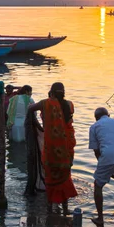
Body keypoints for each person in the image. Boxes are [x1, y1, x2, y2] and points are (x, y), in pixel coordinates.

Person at [27, 82, 78, 213]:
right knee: (65, 176)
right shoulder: (70, 104)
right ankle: (65, 208)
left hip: (52, 147)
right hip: (67, 146)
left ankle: (50, 208)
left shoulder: (45, 103)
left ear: (52, 92)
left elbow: (30, 108)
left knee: (50, 176)